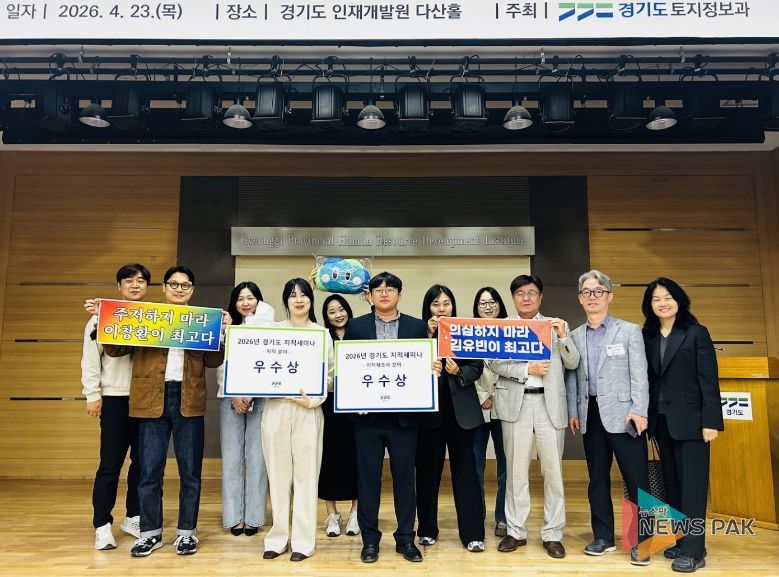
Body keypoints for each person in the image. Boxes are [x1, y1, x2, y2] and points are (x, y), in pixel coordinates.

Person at [104, 266, 228, 557]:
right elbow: (114, 350)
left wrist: (221, 332)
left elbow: (213, 361)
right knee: (149, 471)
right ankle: (150, 534)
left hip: (189, 400)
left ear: (192, 290)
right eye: (174, 284)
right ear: (164, 287)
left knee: (190, 473)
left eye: (185, 285)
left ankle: (187, 533)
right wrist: (105, 319)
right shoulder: (147, 316)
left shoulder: (201, 320)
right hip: (151, 399)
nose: (179, 289)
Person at [344, 271, 440, 564]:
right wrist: (353, 398)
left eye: (390, 289)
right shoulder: (356, 326)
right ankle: (370, 540)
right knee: (368, 482)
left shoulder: (416, 326)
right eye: (378, 289)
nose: (384, 293)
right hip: (367, 419)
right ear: (370, 296)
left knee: (404, 481)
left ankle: (406, 539)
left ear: (400, 294)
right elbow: (349, 368)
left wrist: (433, 369)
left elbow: (423, 367)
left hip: (404, 419)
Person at [489, 275, 579, 558]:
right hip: (515, 405)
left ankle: (553, 534)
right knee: (515, 472)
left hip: (549, 405)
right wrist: (526, 369)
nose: (526, 298)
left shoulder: (555, 326)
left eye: (531, 293)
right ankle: (516, 531)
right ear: (513, 298)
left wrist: (563, 337)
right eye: (520, 293)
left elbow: (573, 362)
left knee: (553, 472)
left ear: (540, 297)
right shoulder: (503, 327)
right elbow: (494, 363)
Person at [565, 269, 651, 566]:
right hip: (590, 415)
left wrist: (639, 409)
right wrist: (573, 411)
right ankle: (603, 537)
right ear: (580, 299)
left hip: (626, 415)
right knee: (597, 480)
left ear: (609, 296)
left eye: (598, 291)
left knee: (637, 480)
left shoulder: (629, 331)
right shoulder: (574, 335)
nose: (592, 297)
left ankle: (642, 540)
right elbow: (572, 377)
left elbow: (640, 374)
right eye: (586, 292)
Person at [642, 277, 723, 573]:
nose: (662, 303)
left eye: (668, 297)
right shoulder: (647, 335)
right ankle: (681, 539)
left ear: (679, 300)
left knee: (693, 486)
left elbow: (708, 380)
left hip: (693, 422)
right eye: (656, 299)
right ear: (649, 305)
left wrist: (711, 422)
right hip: (661, 421)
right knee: (673, 485)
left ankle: (694, 550)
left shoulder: (696, 333)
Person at [262, 278, 333, 562]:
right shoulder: (272, 331)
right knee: (278, 477)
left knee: (306, 479)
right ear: (286, 301)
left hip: (308, 412)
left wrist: (312, 400)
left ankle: (303, 543)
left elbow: (330, 377)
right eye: (293, 295)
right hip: (275, 411)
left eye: (304, 295)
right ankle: (277, 539)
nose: (299, 299)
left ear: (311, 301)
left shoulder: (322, 334)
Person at [81, 263, 150, 550]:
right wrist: (92, 394)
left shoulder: (154, 318)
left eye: (141, 281)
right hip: (115, 399)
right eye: (129, 280)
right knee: (110, 464)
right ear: (119, 286)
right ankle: (102, 524)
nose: (135, 285)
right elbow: (90, 359)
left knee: (142, 464)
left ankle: (133, 517)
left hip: (147, 400)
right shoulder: (101, 317)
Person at [415, 285, 485, 552]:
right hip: (429, 415)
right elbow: (407, 367)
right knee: (427, 474)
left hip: (461, 414)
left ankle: (473, 534)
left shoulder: (464, 331)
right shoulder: (418, 332)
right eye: (435, 304)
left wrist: (459, 372)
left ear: (453, 306)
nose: (441, 309)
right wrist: (428, 337)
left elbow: (477, 366)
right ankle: (427, 530)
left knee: (466, 474)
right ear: (428, 308)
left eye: (446, 303)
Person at [217, 281, 275, 536]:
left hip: (260, 398)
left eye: (251, 298)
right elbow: (221, 365)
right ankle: (233, 517)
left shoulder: (268, 326)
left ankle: (253, 517)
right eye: (240, 298)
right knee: (231, 460)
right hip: (229, 399)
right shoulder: (225, 329)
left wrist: (250, 394)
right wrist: (234, 394)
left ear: (259, 301)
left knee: (257, 459)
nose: (245, 303)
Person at [319, 294, 359, 538]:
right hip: (329, 405)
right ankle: (332, 514)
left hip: (357, 405)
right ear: (326, 316)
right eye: (332, 311)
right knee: (329, 458)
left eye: (341, 309)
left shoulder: (360, 333)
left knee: (357, 458)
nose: (338, 315)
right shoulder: (322, 337)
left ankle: (356, 513)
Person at [471, 286, 509, 539]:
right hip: (477, 407)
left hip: (506, 405)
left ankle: (503, 518)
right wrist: (483, 395)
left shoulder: (510, 331)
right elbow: (463, 369)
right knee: (476, 465)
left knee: (506, 467)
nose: (488, 306)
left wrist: (498, 395)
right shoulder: (468, 332)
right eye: (483, 303)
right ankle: (477, 514)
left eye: (492, 301)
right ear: (476, 307)